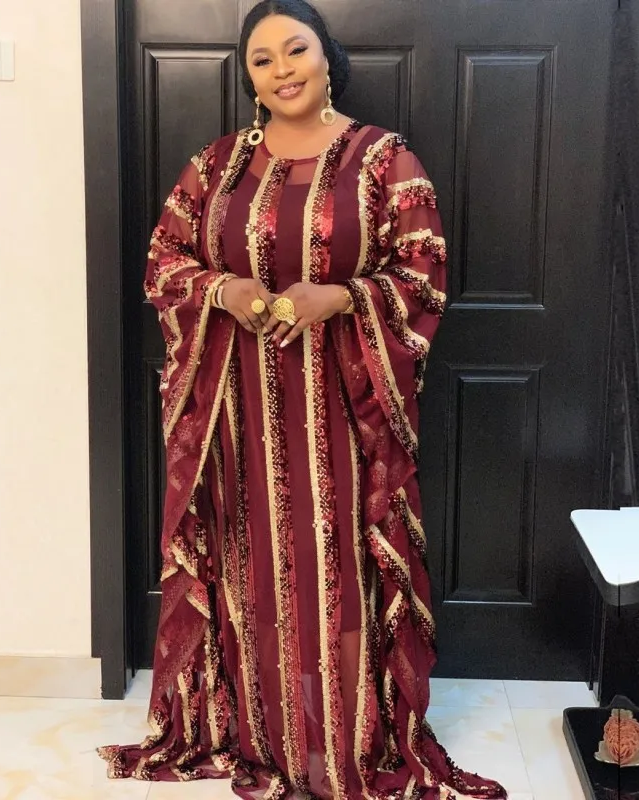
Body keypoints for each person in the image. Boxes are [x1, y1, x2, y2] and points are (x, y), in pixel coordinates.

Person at [98, 1, 507, 798]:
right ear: (250, 79)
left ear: (327, 57)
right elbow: (164, 259)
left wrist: (343, 298)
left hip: (346, 409)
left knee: (337, 563)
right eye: (263, 59)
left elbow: (422, 273)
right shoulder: (217, 165)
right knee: (249, 563)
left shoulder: (384, 159)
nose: (282, 69)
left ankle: (348, 733)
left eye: (296, 50)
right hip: (236, 411)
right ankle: (255, 727)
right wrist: (225, 290)